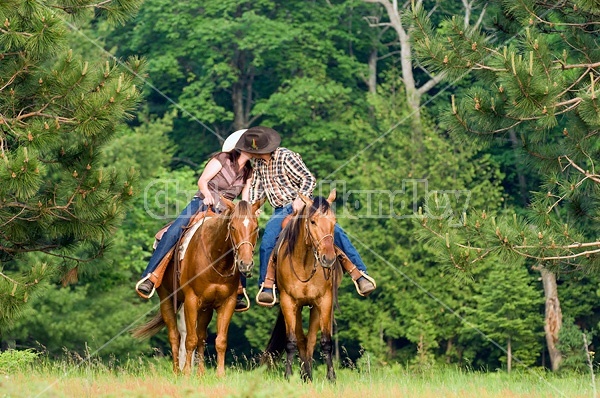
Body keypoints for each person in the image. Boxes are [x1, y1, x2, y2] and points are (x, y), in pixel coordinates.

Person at [233, 126, 377, 307]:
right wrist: (253, 207)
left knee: (334, 231)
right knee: (268, 239)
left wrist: (300, 200)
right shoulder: (259, 165)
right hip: (279, 209)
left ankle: (359, 273)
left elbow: (308, 179)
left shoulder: (286, 157)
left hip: (301, 204)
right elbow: (256, 188)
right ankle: (267, 285)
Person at [136, 129, 253, 311]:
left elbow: (245, 199)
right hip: (202, 202)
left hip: (226, 211)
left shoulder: (248, 171)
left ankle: (239, 290)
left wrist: (249, 211)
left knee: (242, 237)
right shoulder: (222, 159)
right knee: (175, 231)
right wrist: (207, 195)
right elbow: (202, 181)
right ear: (240, 146)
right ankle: (150, 276)